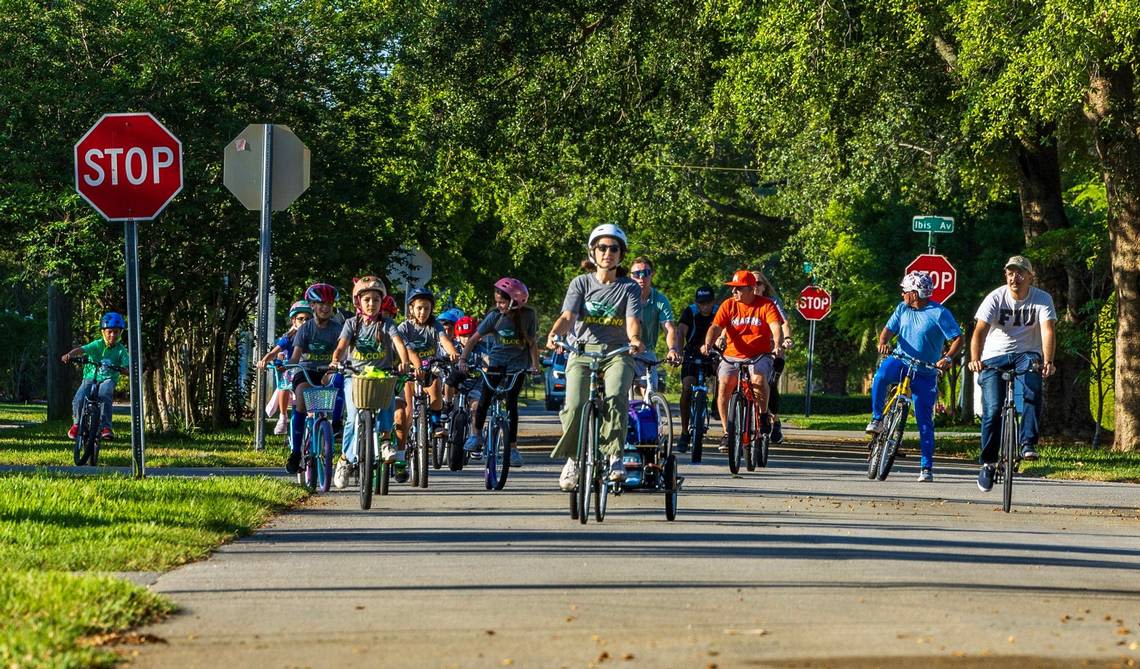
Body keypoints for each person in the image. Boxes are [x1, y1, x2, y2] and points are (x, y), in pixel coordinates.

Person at [546, 223, 644, 489]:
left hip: (617, 353)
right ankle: (574, 460)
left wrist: (635, 340)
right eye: (602, 247)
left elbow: (632, 320)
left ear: (621, 255)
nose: (607, 253)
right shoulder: (580, 283)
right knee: (575, 404)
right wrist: (555, 334)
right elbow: (568, 317)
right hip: (581, 350)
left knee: (616, 396)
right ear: (593, 251)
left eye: (614, 248)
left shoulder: (629, 288)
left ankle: (614, 455)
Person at [968, 255, 1057, 492]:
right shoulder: (995, 298)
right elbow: (979, 332)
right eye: (1010, 273)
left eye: (1019, 273)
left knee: (1033, 390)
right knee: (993, 409)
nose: (1014, 278)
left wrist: (1048, 361)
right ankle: (987, 462)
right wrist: (975, 360)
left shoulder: (1042, 299)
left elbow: (1047, 331)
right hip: (994, 356)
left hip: (1027, 354)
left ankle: (1027, 443)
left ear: (1030, 276)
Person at [865, 272, 963, 482]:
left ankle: (926, 468)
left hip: (926, 371)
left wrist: (947, 358)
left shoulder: (939, 313)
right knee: (881, 375)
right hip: (901, 360)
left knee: (925, 422)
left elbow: (957, 339)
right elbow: (887, 331)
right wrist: (883, 342)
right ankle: (877, 419)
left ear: (916, 293)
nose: (902, 294)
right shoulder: (902, 309)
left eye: (906, 291)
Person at [330, 276, 415, 490]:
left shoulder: (387, 324)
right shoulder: (351, 324)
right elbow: (342, 346)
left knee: (387, 403)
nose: (371, 304)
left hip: (381, 374)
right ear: (358, 302)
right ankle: (345, 460)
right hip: (355, 376)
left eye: (376, 300)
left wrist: (404, 362)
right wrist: (336, 359)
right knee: (352, 417)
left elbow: (398, 343)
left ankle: (386, 441)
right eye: (367, 300)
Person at [458, 278, 541, 468]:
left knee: (512, 404)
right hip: (496, 364)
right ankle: (476, 434)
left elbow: (532, 343)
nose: (498, 305)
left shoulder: (529, 316)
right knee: (485, 399)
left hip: (517, 366)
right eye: (497, 301)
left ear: (516, 300)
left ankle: (512, 449)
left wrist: (535, 366)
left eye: (502, 302)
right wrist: (463, 359)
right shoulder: (495, 316)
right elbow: (472, 339)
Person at [701, 270, 785, 453]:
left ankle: (763, 415)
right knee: (723, 385)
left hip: (759, 355)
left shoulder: (766, 305)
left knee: (759, 380)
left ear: (750, 289)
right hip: (731, 356)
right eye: (733, 289)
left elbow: (775, 326)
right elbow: (715, 327)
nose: (733, 293)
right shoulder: (728, 305)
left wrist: (777, 344)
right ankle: (726, 432)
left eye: (738, 289)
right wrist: (707, 344)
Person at [396, 287, 461, 480]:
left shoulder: (435, 326)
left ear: (431, 309)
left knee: (435, 387)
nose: (422, 312)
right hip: (410, 370)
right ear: (411, 309)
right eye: (418, 308)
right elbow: (408, 351)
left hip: (431, 367)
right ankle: (400, 457)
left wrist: (453, 353)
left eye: (426, 308)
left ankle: (434, 424)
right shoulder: (404, 328)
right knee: (406, 414)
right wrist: (413, 366)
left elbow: (444, 341)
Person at [285, 283, 346, 474]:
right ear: (312, 305)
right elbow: (296, 356)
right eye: (320, 303)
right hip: (306, 371)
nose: (325, 307)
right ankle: (296, 452)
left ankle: (335, 425)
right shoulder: (305, 329)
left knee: (338, 382)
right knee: (301, 398)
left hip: (327, 370)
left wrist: (340, 364)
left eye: (328, 304)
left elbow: (343, 351)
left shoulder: (338, 329)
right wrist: (287, 364)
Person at [62, 311, 130, 441]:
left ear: (120, 333)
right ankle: (77, 424)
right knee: (79, 398)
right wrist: (69, 355)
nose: (112, 335)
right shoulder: (97, 344)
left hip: (108, 379)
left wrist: (125, 370)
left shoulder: (121, 350)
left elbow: (127, 366)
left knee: (104, 394)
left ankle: (106, 427)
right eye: (109, 331)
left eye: (116, 332)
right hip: (90, 377)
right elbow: (81, 349)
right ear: (103, 332)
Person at [257, 300, 313, 435]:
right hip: (291, 371)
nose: (304, 322)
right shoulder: (288, 338)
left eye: (308, 319)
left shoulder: (314, 336)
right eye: (301, 319)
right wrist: (264, 360)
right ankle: (282, 416)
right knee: (284, 384)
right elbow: (275, 352)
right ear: (294, 321)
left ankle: (315, 422)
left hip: (308, 372)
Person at [752, 270, 794, 444]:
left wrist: (787, 339)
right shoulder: (741, 304)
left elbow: (784, 323)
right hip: (750, 353)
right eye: (751, 284)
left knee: (770, 384)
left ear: (764, 286)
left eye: (758, 284)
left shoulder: (772, 303)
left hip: (771, 351)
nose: (755, 287)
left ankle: (774, 421)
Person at [628, 257, 680, 390]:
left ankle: (651, 406)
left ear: (652, 274)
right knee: (619, 392)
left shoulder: (660, 299)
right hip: (624, 349)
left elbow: (669, 328)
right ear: (630, 276)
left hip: (646, 351)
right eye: (636, 274)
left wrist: (672, 349)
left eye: (645, 273)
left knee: (650, 390)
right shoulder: (623, 296)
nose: (641, 278)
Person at [677, 286, 718, 454]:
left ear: (713, 302)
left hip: (714, 351)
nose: (705, 307)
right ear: (696, 303)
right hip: (692, 352)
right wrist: (679, 351)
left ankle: (717, 403)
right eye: (701, 304)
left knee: (723, 376)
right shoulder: (690, 312)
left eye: (708, 303)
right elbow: (680, 332)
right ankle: (685, 432)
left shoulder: (719, 311)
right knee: (687, 387)